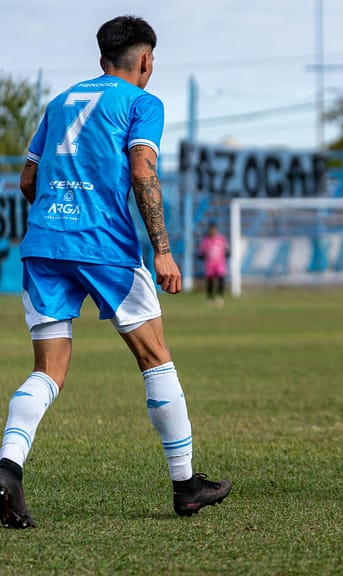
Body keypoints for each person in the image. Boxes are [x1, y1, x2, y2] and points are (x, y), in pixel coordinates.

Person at [0, 15, 231, 529]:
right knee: (154, 358)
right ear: (145, 60)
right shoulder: (143, 103)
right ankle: (186, 484)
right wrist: (164, 250)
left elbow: (28, 179)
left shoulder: (59, 103)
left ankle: (7, 470)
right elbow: (143, 171)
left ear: (102, 57)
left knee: (48, 371)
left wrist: (59, 214)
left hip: (43, 246)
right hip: (105, 246)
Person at [198, 222, 230, 307]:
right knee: (210, 282)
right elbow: (201, 252)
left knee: (221, 280)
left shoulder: (221, 239)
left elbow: (227, 249)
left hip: (220, 264)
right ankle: (210, 299)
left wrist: (227, 253)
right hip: (210, 264)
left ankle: (219, 298)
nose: (212, 230)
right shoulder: (206, 240)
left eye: (213, 228)